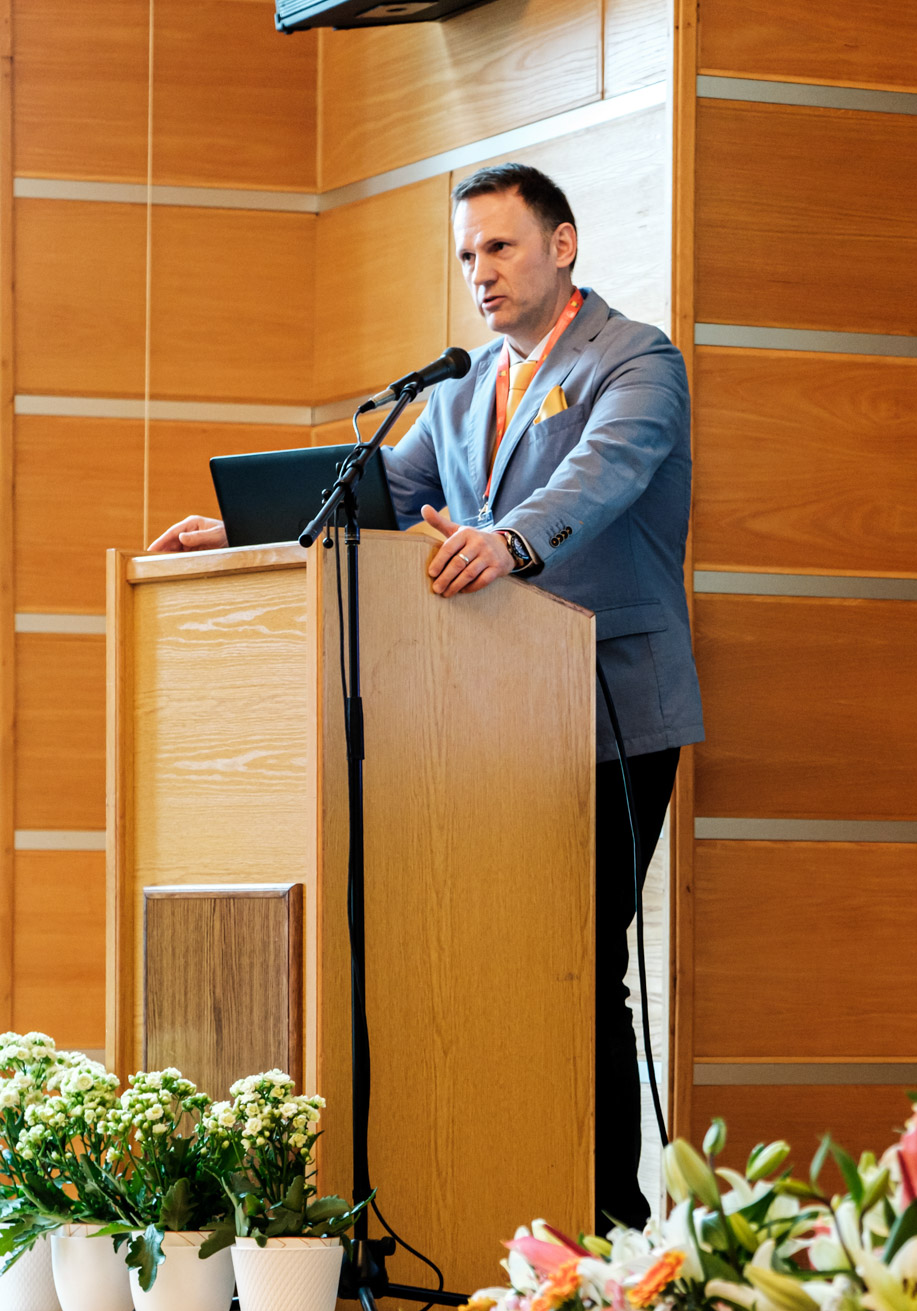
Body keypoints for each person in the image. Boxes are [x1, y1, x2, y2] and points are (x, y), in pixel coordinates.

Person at [148, 163, 704, 1229]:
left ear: (562, 245)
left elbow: (602, 475)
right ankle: (504, 1201)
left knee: (581, 966)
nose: (480, 273)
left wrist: (507, 542)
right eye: (465, 256)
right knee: (496, 961)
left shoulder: (634, 360)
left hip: (610, 708)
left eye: (499, 247)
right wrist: (242, 531)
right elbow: (375, 495)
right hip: (486, 721)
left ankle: (613, 1224)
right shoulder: (455, 391)